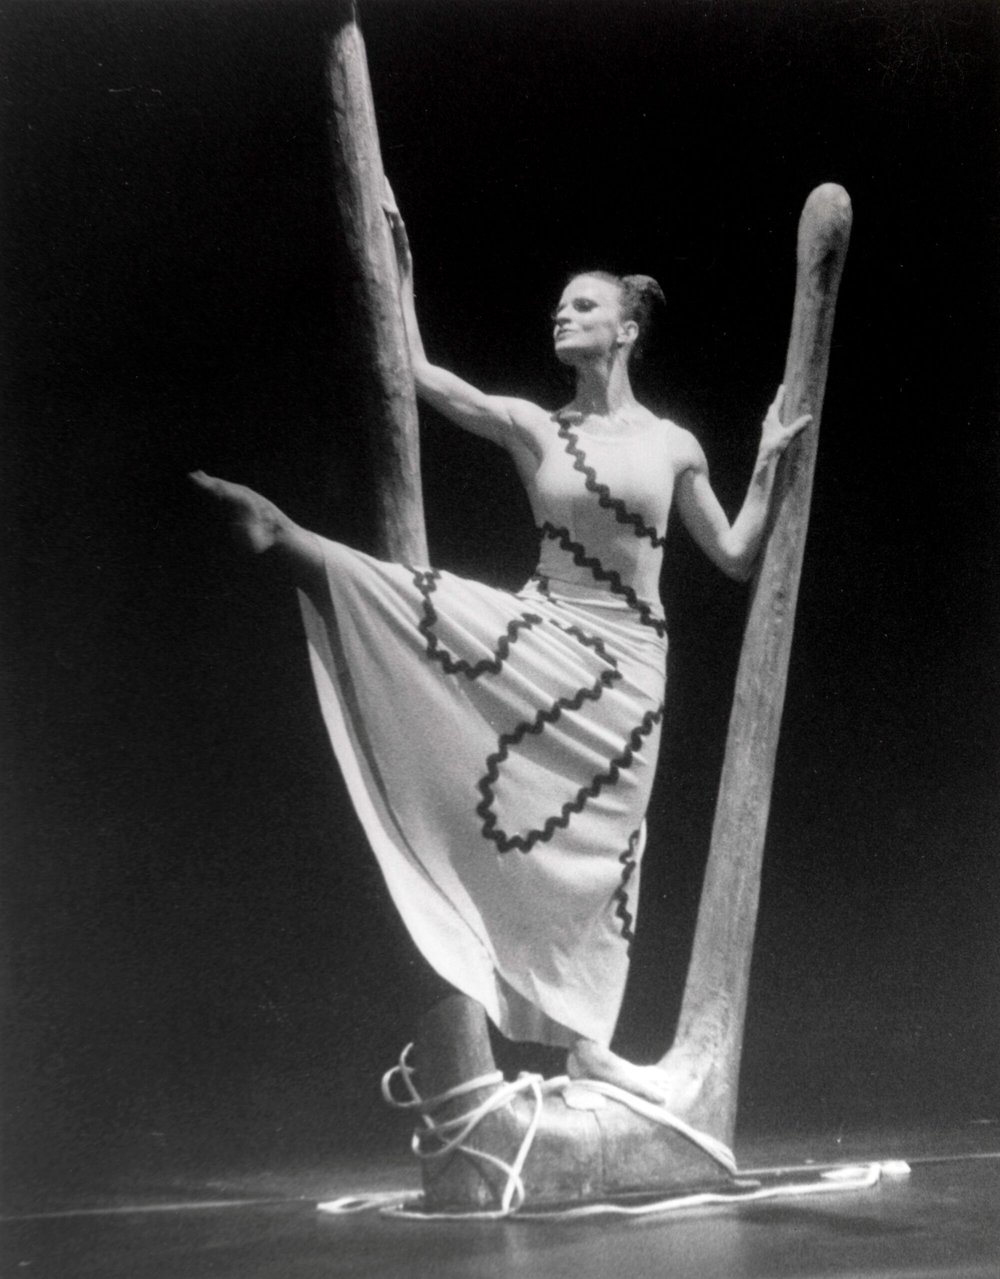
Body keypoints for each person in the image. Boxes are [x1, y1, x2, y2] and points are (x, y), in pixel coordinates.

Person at [190, 204, 809, 1108]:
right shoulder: (533, 424)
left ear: (626, 328)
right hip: (543, 631)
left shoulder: (674, 443)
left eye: (584, 307)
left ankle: (588, 1043)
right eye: (560, 307)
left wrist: (765, 459)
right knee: (426, 605)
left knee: (607, 854)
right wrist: (397, 273)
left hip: (630, 668)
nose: (563, 316)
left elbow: (737, 553)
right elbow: (423, 376)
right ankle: (290, 541)